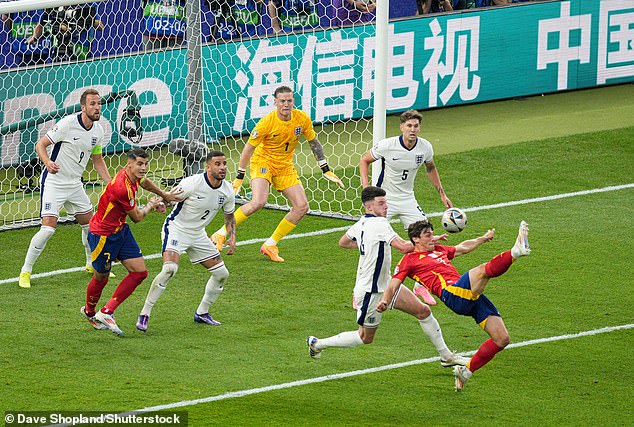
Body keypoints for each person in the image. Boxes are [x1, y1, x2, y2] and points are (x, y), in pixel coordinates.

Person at [306, 186, 469, 369]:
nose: (386, 207)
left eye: (386, 202)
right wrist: (428, 241)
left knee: (423, 311)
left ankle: (446, 356)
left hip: (387, 284)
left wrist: (367, 244)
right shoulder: (380, 224)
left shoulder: (361, 223)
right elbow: (404, 247)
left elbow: (343, 242)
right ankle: (317, 344)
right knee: (365, 338)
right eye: (381, 203)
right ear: (369, 207)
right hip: (371, 291)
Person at [384, 219, 531, 391]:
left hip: (466, 294)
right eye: (428, 235)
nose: (433, 238)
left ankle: (466, 371)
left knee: (501, 339)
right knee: (483, 271)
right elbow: (394, 284)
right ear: (416, 239)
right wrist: (384, 301)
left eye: (432, 233)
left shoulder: (438, 250)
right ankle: (515, 252)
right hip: (452, 294)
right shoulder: (408, 260)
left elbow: (462, 248)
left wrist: (482, 238)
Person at [210, 85, 344, 262]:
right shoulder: (266, 122)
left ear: (293, 101)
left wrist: (325, 168)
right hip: (263, 162)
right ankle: (219, 234)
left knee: (302, 207)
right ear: (275, 102)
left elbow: (314, 142)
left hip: (284, 166)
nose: (286, 104)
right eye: (282, 101)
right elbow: (248, 149)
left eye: (289, 101)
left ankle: (270, 244)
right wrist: (239, 177)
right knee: (258, 202)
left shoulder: (301, 118)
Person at [18, 89, 111, 289]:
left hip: (75, 184)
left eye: (99, 104)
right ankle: (25, 271)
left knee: (91, 226)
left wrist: (111, 184)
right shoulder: (67, 124)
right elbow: (40, 145)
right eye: (92, 104)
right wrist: (48, 162)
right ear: (83, 107)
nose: (97, 107)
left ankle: (91, 264)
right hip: (54, 182)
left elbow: (98, 160)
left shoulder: (98, 131)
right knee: (48, 228)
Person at [136, 151, 236, 332]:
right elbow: (170, 197)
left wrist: (232, 235)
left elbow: (229, 216)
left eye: (224, 164)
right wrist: (159, 204)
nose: (222, 168)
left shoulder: (227, 190)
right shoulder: (193, 183)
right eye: (217, 164)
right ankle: (145, 313)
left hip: (198, 234)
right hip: (177, 229)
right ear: (208, 167)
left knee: (222, 274)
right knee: (169, 269)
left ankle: (202, 312)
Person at [359, 109, 451, 304]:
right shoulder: (387, 145)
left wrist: (442, 193)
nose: (412, 129)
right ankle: (360, 290)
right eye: (409, 126)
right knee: (372, 244)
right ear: (401, 127)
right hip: (384, 200)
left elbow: (431, 167)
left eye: (416, 126)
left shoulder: (425, 147)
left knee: (425, 239)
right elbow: (364, 159)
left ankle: (420, 286)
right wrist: (366, 187)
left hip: (408, 199)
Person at [81, 148, 173, 336]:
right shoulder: (121, 188)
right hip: (103, 236)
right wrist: (151, 205)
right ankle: (90, 312)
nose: (144, 168)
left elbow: (145, 182)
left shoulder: (133, 177)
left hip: (120, 231)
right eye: (139, 164)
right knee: (101, 278)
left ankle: (107, 312)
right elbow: (137, 217)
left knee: (140, 272)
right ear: (128, 164)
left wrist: (163, 194)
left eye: (146, 164)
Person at [27, 4, 104, 62]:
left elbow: (100, 26)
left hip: (80, 51)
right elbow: (41, 24)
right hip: (56, 51)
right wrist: (35, 37)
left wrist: (88, 20)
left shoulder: (84, 4)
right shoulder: (53, 5)